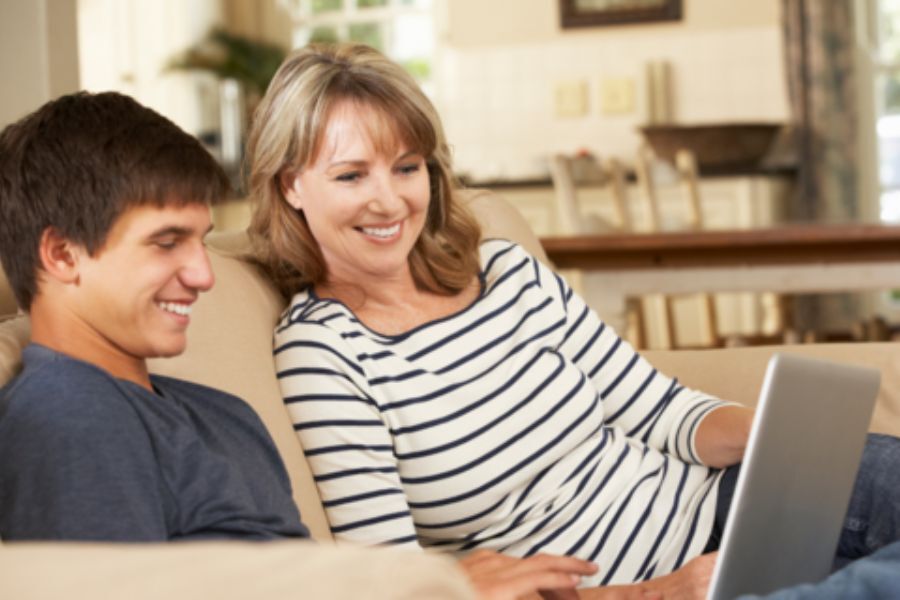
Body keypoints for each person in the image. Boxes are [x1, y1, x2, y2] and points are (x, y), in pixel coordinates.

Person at [246, 42, 900, 599]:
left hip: (732, 501)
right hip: (643, 585)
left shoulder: (505, 272)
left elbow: (660, 411)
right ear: (290, 187)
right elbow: (394, 578)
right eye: (351, 175)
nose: (388, 200)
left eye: (407, 167)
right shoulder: (324, 353)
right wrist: (650, 592)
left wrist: (772, 435)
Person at [0, 91, 614, 600]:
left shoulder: (215, 412)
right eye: (167, 243)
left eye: (202, 242)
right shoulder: (69, 415)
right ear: (61, 254)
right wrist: (429, 585)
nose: (204, 275)